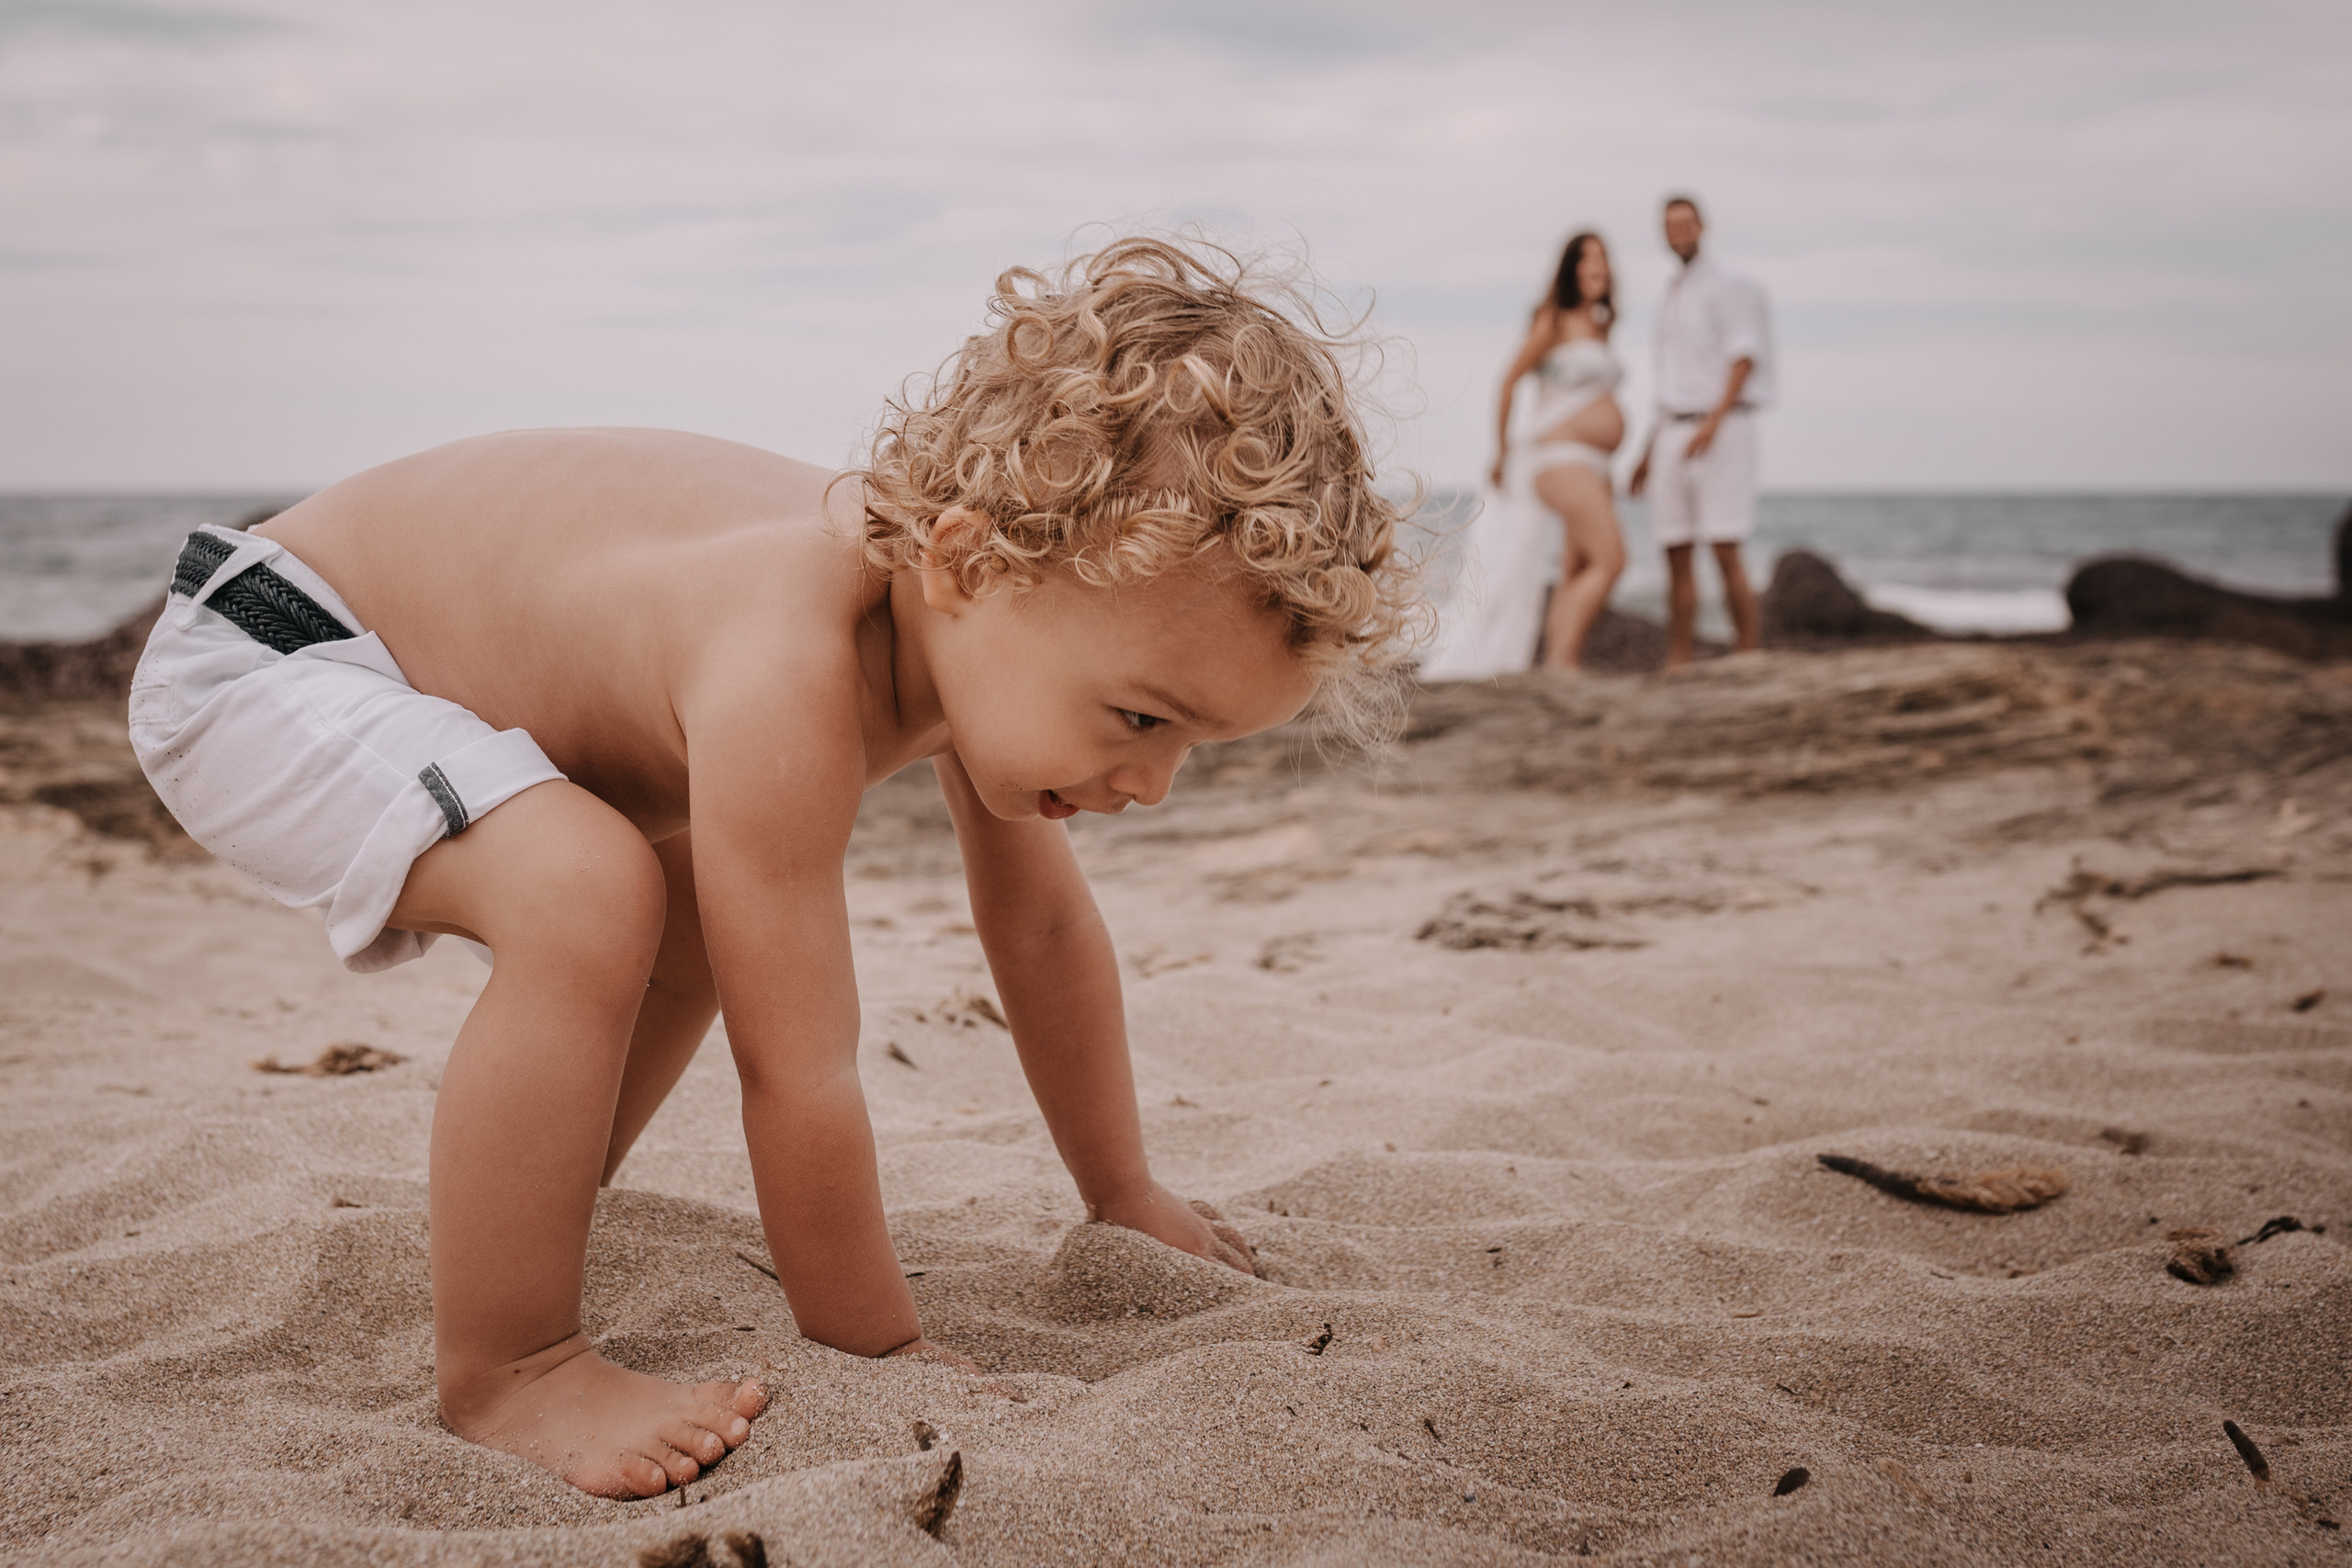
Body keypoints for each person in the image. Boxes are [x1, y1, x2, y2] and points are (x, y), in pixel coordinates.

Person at [126, 237, 1417, 1500]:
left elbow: (1042, 939)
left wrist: (1122, 1190)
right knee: (591, 887)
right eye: (1143, 718)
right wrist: (877, 1344)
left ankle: (535, 1204)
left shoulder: (983, 618)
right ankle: (512, 1363)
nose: (1153, 782)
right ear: (970, 561)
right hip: (271, 651)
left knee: (683, 910)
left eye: (1197, 741)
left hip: (353, 649)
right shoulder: (788, 660)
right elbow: (798, 1068)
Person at [1419, 232, 1628, 680]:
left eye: (1604, 257)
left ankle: (1560, 661)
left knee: (1580, 565)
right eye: (1588, 257)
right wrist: (1501, 449)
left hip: (1593, 465)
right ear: (1571, 268)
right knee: (1612, 560)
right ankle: (1562, 663)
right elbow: (1509, 380)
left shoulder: (1601, 323)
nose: (1599, 265)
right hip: (1557, 458)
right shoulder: (1552, 320)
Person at [1628, 194, 1774, 669]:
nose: (1679, 233)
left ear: (1703, 227)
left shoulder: (1730, 285)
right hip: (1672, 430)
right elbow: (1671, 384)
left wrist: (1713, 422)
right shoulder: (1670, 294)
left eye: (1686, 224)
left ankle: (1748, 654)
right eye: (1670, 226)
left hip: (1722, 428)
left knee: (1725, 544)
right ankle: (1680, 660)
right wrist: (1648, 453)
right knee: (1674, 548)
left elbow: (1744, 356)